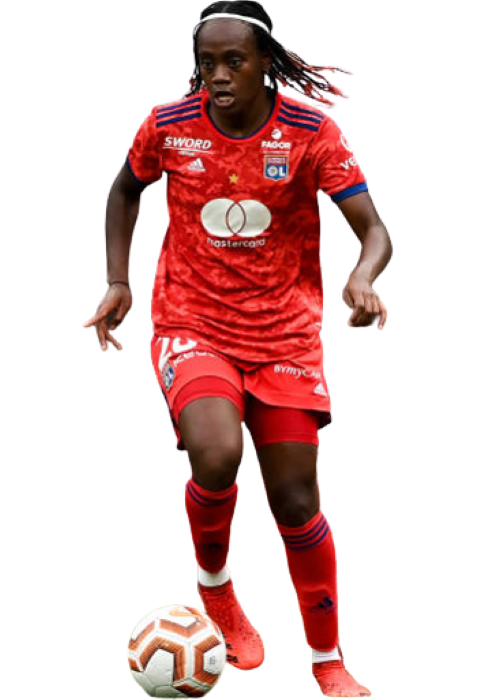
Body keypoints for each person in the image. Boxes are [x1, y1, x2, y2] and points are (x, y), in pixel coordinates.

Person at [84, 1, 391, 697]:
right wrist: (117, 280)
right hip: (191, 322)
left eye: (233, 61)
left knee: (295, 498)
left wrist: (362, 279)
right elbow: (124, 191)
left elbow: (373, 228)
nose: (218, 76)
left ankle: (327, 658)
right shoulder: (169, 125)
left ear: (266, 64)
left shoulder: (310, 132)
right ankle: (216, 587)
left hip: (286, 335)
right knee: (217, 452)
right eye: (207, 64)